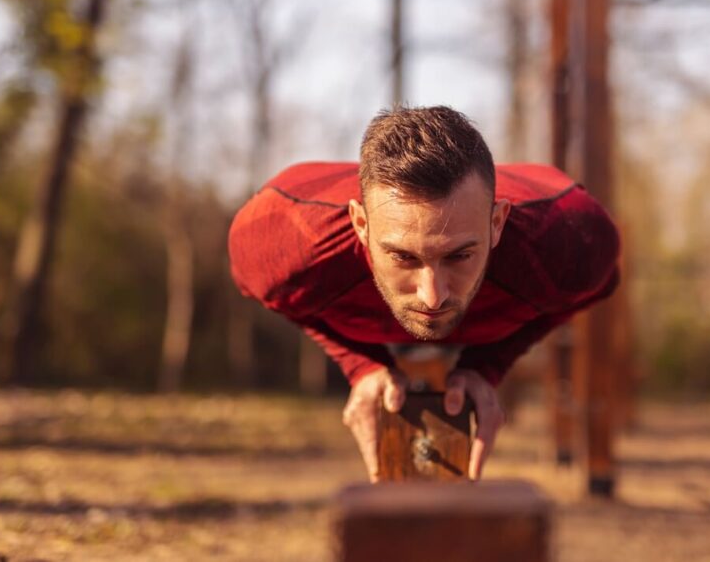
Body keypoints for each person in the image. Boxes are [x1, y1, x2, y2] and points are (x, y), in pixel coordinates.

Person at [228, 105, 620, 481]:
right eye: (403, 256)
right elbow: (276, 299)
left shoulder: (571, 241)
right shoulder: (283, 242)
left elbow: (592, 290)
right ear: (360, 225)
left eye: (459, 255)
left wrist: (488, 366)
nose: (432, 297)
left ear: (497, 223)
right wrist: (360, 364)